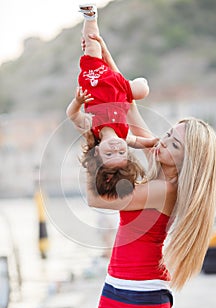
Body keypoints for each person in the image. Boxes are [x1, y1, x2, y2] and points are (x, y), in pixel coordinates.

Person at [83, 35, 216, 308]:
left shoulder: (162, 189)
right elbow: (129, 104)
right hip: (116, 283)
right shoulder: (159, 162)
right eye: (168, 133)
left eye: (173, 144)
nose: (162, 141)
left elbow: (94, 199)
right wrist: (104, 55)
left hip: (145, 293)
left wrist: (94, 142)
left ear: (189, 162)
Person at [66, 2, 158, 198]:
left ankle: (90, 17)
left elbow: (71, 115)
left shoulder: (93, 127)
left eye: (109, 154)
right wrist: (155, 141)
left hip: (97, 80)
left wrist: (78, 101)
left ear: (97, 152)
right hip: (121, 88)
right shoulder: (125, 136)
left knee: (92, 43)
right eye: (122, 153)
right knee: (141, 89)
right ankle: (137, 83)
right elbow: (141, 142)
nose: (116, 149)